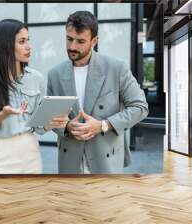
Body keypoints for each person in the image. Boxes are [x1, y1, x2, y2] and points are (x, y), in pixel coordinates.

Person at [47, 11, 149, 174]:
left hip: (105, 159)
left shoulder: (116, 68)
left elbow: (140, 107)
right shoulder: (55, 74)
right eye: (69, 39)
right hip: (70, 161)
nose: (72, 46)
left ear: (94, 41)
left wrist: (103, 125)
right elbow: (50, 117)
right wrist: (66, 127)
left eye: (80, 41)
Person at [0, 19, 69, 174]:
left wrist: (52, 122)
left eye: (28, 40)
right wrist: (1, 116)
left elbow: (38, 127)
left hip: (30, 150)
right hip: (0, 152)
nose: (29, 46)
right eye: (22, 41)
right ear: (6, 45)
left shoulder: (36, 78)